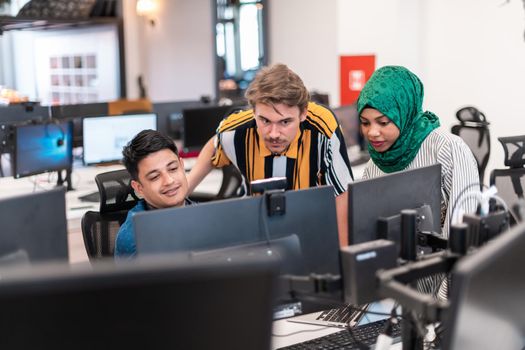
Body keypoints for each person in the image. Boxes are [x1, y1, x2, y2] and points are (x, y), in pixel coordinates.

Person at [187, 63, 354, 246]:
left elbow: (341, 195)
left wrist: (343, 258)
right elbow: (214, 144)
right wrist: (184, 189)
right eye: (265, 120)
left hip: (312, 226)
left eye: (285, 122)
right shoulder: (234, 130)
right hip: (259, 229)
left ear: (303, 113)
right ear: (254, 112)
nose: (274, 134)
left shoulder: (323, 128)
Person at [357, 65, 480, 298]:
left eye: (383, 122)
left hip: (442, 292)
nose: (372, 132)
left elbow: (462, 241)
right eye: (365, 122)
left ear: (405, 112)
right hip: (394, 293)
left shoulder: (447, 149)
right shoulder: (374, 165)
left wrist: (441, 307)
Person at [114, 129, 192, 259]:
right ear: (139, 188)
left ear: (182, 166)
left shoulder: (201, 213)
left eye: (173, 169)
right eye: (155, 177)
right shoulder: (136, 239)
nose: (169, 181)